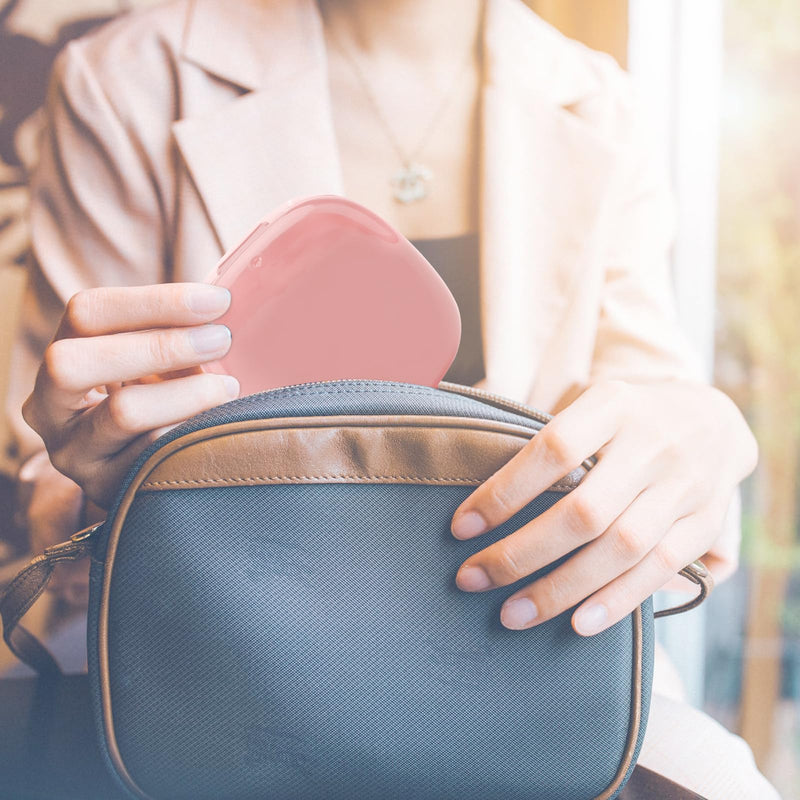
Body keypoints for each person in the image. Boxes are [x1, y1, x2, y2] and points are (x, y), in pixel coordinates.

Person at [5, 0, 780, 797]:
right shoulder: (123, 80)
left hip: (529, 659)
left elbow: (648, 412)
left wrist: (701, 439)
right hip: (224, 660)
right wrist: (91, 476)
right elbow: (55, 487)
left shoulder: (601, 102)